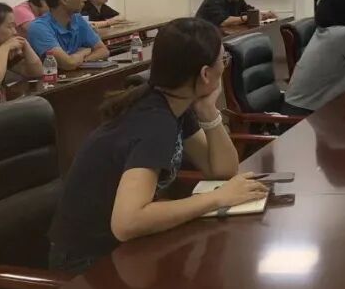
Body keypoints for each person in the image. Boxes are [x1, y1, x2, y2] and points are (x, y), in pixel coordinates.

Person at [47, 18, 269, 274]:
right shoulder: (155, 122)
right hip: (88, 263)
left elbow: (221, 170)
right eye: (223, 60)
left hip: (123, 250)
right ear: (206, 74)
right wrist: (217, 198)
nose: (225, 66)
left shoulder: (173, 103)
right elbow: (128, 223)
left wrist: (208, 111)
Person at [27, 0, 110, 70]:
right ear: (65, 0)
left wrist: (79, 61)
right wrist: (84, 51)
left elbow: (103, 51)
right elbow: (67, 63)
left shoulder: (77, 19)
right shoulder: (39, 27)